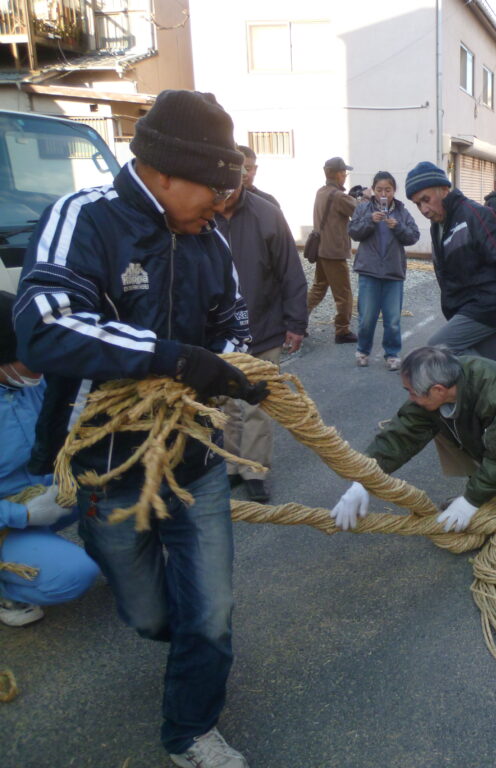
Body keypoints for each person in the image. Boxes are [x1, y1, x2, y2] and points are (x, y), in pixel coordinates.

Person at [14, 89, 264, 768]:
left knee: (208, 614)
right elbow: (43, 326)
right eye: (214, 189)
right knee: (154, 616)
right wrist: (172, 359)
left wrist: (236, 366)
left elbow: (233, 325)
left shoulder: (210, 243)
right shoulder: (85, 219)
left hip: (196, 463)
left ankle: (190, 728)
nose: (221, 207)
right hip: (108, 462)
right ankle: (186, 650)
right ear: (164, 173)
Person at [331, 346, 496, 566]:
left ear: (438, 390)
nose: (410, 398)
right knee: (435, 428)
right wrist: (363, 481)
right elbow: (400, 435)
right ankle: (491, 488)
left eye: (411, 392)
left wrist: (470, 502)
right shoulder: (434, 388)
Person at [0, 292, 98, 628]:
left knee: (125, 500)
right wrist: (21, 513)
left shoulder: (31, 383)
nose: (40, 365)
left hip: (45, 491)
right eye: (29, 357)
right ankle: (7, 587)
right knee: (73, 574)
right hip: (8, 514)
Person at [215, 167, 308, 504]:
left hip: (263, 327)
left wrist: (296, 323)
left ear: (244, 178)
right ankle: (229, 466)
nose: (223, 194)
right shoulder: (201, 212)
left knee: (256, 403)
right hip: (219, 333)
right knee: (222, 402)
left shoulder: (267, 214)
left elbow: (290, 271)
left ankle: (254, 471)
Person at [404, 160, 496, 360]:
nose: (424, 209)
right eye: (418, 204)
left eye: (426, 199)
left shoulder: (477, 215)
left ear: (444, 189)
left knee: (438, 350)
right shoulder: (438, 225)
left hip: (487, 307)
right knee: (481, 376)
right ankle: (495, 384)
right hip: (467, 309)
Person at [349, 170, 421, 370]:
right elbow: (353, 232)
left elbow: (413, 236)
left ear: (394, 191)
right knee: (367, 317)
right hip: (369, 271)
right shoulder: (363, 209)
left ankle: (392, 354)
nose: (383, 193)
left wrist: (397, 227)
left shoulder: (401, 212)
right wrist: (370, 221)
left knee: (393, 319)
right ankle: (363, 350)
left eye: (387, 190)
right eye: (379, 189)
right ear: (373, 190)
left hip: (393, 272)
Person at [307, 156, 359, 344]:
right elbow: (359, 211)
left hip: (321, 249)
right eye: (344, 172)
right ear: (338, 174)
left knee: (319, 287)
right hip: (334, 252)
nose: (345, 176)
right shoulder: (338, 196)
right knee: (343, 293)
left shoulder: (321, 192)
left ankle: (297, 321)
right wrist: (365, 197)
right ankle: (342, 331)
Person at [237, 145, 280, 209]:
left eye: (247, 168)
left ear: (255, 169)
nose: (243, 174)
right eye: (238, 169)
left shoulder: (269, 202)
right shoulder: (221, 204)